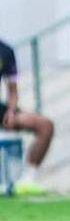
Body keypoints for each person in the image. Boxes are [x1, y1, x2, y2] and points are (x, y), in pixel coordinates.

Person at [0, 37, 54, 195]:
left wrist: (11, 110)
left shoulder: (5, 51)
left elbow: (12, 89)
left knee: (45, 125)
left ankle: (27, 180)